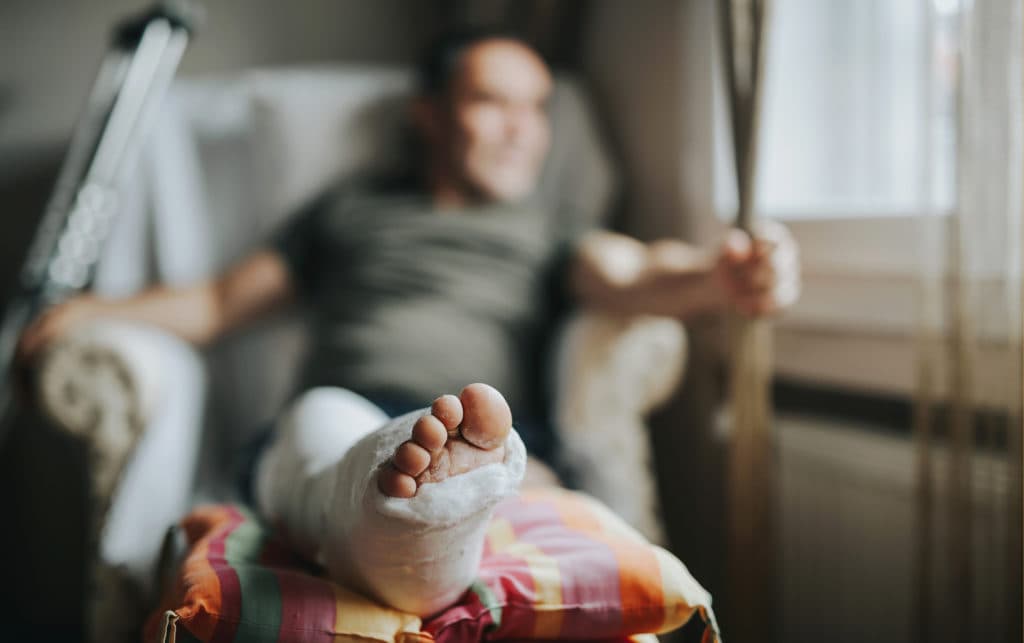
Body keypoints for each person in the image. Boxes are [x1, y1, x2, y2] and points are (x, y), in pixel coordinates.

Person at [14, 29, 799, 615]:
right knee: (325, 433)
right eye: (492, 102)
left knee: (527, 482)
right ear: (429, 114)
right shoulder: (351, 209)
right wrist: (93, 309)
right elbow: (219, 302)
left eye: (536, 107)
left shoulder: (545, 231)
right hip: (341, 409)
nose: (521, 127)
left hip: (500, 434)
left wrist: (714, 274)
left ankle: (418, 512)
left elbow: (629, 271)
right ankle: (398, 505)